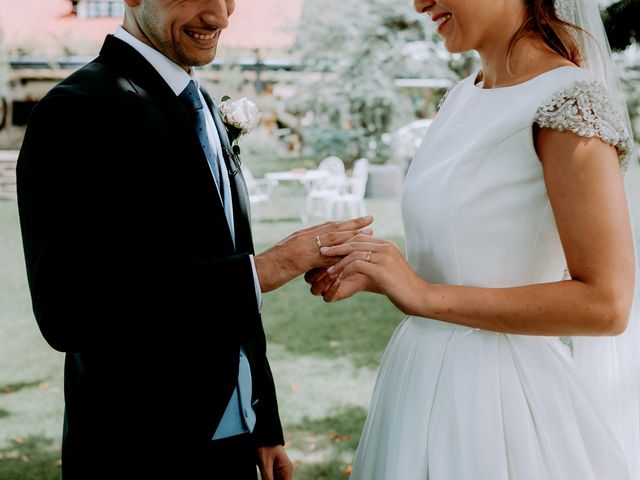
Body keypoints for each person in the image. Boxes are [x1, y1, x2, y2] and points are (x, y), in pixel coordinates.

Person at [15, 0, 373, 478]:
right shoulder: (74, 111)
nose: (220, 16)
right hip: (141, 447)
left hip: (235, 437)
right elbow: (69, 311)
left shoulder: (201, 103)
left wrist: (262, 422)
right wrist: (263, 270)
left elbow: (224, 259)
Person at [308, 0, 640, 478]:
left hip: (501, 400)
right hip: (419, 377)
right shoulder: (461, 96)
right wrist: (379, 273)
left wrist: (424, 295)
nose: (419, 3)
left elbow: (606, 305)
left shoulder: (569, 101)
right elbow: (467, 259)